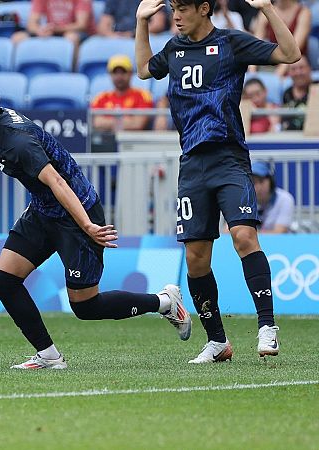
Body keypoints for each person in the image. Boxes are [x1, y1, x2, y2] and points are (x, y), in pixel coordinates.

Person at [0, 72, 192, 370]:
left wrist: (87, 227)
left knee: (85, 306)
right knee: (3, 279)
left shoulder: (18, 143)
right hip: (44, 211)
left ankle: (164, 302)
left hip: (76, 214)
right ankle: (49, 356)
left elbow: (58, 182)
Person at [135, 0, 300, 362]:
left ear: (204, 8)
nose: (175, 16)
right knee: (196, 258)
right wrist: (141, 21)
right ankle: (217, 341)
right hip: (192, 164)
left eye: (183, 8)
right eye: (173, 8)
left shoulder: (230, 43)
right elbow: (144, 70)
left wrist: (268, 9)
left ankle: (267, 326)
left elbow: (290, 53)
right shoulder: (174, 49)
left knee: (243, 235)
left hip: (228, 158)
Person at [14, 0, 95, 66]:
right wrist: (40, 30)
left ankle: (72, 72)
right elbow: (31, 24)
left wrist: (56, 29)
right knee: (18, 37)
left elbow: (81, 25)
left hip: (72, 32)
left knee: (72, 37)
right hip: (51, 30)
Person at [90, 54, 154, 131]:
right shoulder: (100, 98)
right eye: (115, 72)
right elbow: (97, 123)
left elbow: (138, 124)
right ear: (110, 75)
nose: (119, 76)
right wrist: (127, 121)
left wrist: (108, 122)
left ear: (130, 73)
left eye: (123, 72)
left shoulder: (143, 96)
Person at [252, 0, 310, 76]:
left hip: (296, 66)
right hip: (274, 64)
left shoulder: (304, 12)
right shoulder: (265, 10)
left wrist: (277, 76)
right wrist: (252, 71)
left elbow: (294, 50)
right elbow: (255, 45)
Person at [251, 161, 295, 233]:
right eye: (253, 182)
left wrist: (247, 235)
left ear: (271, 182)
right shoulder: (243, 200)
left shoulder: (285, 199)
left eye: (261, 181)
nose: (258, 187)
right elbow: (228, 231)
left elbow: (279, 232)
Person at [98, 0, 166, 37]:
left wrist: (133, 34)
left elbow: (158, 24)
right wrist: (113, 36)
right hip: (117, 37)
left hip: (144, 36)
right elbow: (103, 26)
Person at [282, 56, 314, 131]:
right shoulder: (287, 93)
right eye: (293, 69)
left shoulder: (317, 88)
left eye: (301, 68)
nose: (298, 73)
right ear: (289, 73)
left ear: (310, 69)